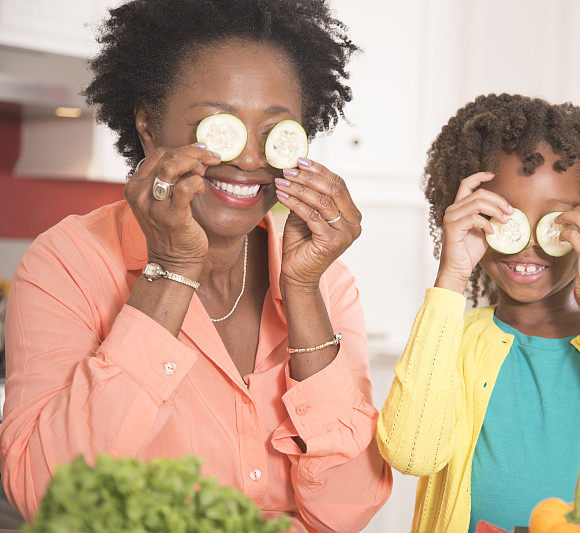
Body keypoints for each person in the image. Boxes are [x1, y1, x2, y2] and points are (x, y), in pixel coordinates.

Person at [0, 1, 391, 530]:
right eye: (219, 127)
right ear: (148, 125)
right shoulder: (67, 264)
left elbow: (349, 510)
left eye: (274, 132)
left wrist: (301, 291)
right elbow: (44, 494)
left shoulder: (327, 282)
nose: (250, 160)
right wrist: (173, 267)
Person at [377, 94, 580, 532]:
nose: (527, 242)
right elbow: (412, 454)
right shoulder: (452, 335)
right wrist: (450, 277)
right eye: (503, 216)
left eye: (557, 223)